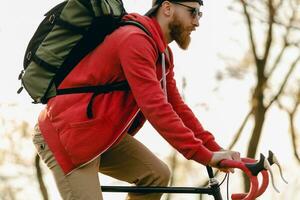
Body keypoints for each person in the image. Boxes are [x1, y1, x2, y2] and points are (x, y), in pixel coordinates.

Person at [32, 0, 241, 199]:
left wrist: (215, 150)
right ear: (167, 8)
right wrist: (204, 155)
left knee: (156, 175)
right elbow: (156, 108)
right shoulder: (134, 40)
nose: (197, 22)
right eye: (192, 12)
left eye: (200, 14)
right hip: (66, 136)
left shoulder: (163, 54)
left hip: (99, 136)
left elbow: (177, 108)